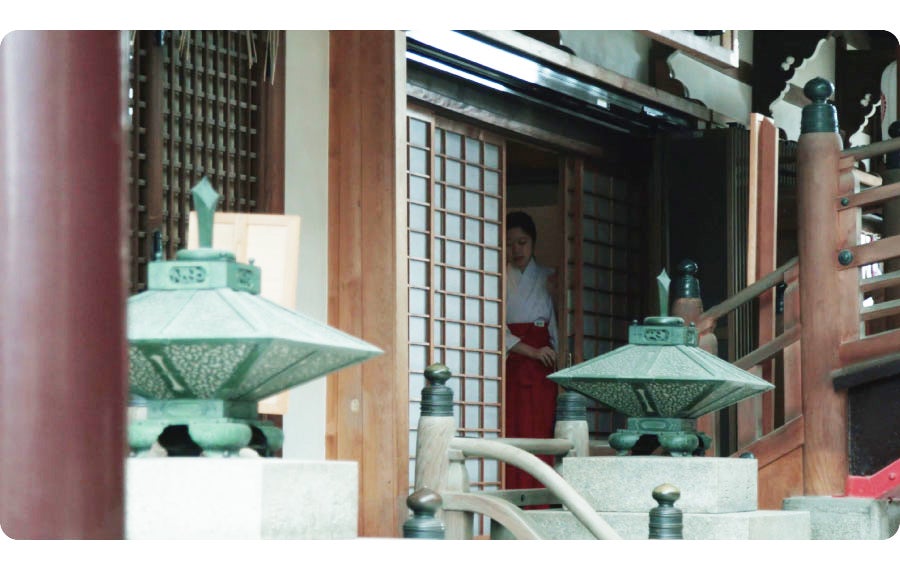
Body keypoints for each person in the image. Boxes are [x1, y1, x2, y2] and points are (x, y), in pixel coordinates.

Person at [504, 211, 559, 491]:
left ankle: (541, 495)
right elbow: (495, 329)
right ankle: (514, 490)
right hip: (513, 367)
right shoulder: (498, 278)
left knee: (540, 429)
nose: (516, 250)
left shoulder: (548, 278)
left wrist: (556, 357)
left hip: (542, 370)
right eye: (510, 244)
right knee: (513, 428)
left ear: (533, 242)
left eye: (522, 242)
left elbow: (557, 327)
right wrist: (532, 352)